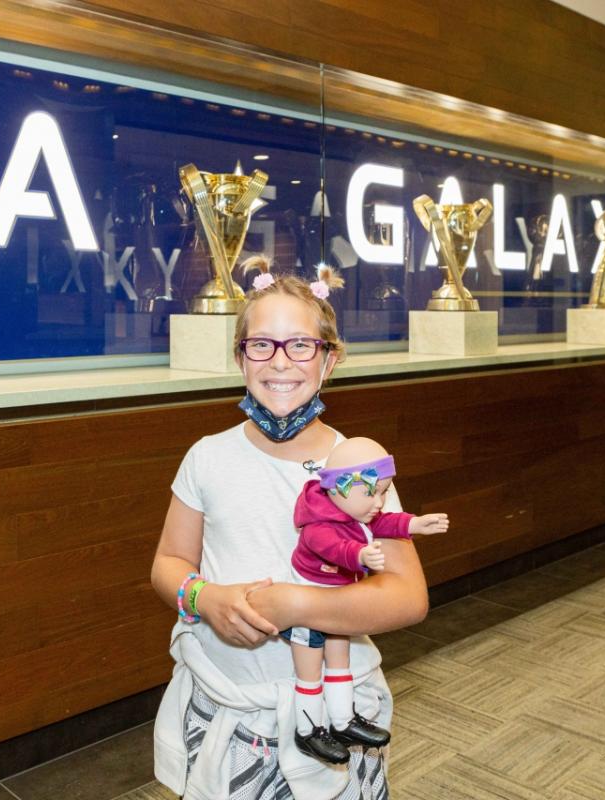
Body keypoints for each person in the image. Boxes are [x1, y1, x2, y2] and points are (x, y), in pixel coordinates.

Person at [151, 266, 430, 800]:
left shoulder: (357, 463)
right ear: (239, 357)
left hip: (334, 707)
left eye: (301, 345)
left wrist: (294, 605)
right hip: (223, 704)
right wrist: (204, 598)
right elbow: (169, 563)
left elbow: (406, 595)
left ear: (330, 358)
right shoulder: (207, 456)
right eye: (262, 345)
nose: (280, 362)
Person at [284, 436, 449, 765]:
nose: (379, 502)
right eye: (371, 492)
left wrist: (414, 523)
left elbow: (385, 522)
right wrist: (359, 554)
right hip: (307, 605)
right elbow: (328, 546)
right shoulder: (317, 521)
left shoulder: (354, 509)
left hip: (339, 602)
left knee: (340, 659)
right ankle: (308, 729)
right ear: (337, 488)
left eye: (384, 492)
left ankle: (343, 721)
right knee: (310, 669)